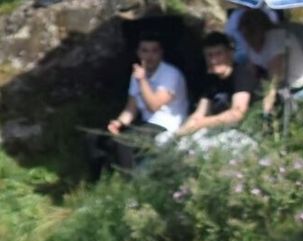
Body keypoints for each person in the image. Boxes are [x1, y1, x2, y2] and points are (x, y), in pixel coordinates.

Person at [85, 33, 190, 181]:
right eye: (145, 51)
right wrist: (119, 123)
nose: (149, 56)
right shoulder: (138, 74)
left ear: (161, 53)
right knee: (95, 138)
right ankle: (97, 182)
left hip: (166, 124)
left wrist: (142, 80)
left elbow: (153, 105)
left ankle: (130, 186)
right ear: (138, 53)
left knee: (124, 143)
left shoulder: (170, 74)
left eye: (154, 51)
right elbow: (131, 108)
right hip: (145, 123)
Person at [174, 34, 259, 148]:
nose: (213, 60)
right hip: (217, 130)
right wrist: (180, 134)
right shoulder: (211, 79)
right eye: (209, 55)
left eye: (218, 54)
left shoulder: (241, 75)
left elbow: (237, 114)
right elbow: (200, 113)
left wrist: (201, 123)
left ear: (230, 53)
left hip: (243, 133)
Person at [236, 9, 287, 116]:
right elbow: (252, 71)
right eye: (245, 36)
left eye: (251, 34)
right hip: (274, 85)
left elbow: (277, 70)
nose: (249, 39)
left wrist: (270, 94)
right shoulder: (250, 44)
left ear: (261, 29)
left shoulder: (275, 37)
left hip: (295, 85)